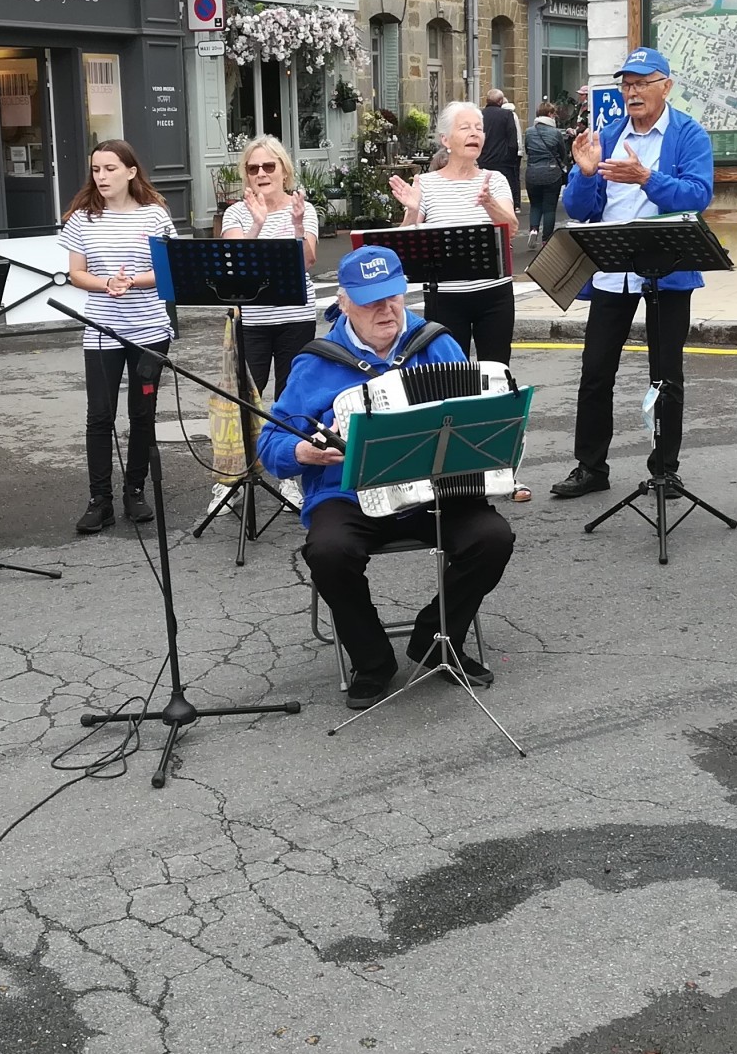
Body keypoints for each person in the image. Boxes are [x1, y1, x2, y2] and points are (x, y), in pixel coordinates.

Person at [263, 247, 515, 709]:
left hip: (433, 491)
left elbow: (477, 418)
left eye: (393, 297)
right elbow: (270, 447)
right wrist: (306, 451)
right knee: (329, 551)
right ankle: (371, 659)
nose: (386, 309)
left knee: (493, 536)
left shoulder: (435, 343)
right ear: (342, 303)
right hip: (350, 494)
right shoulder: (315, 363)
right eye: (370, 300)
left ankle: (437, 639)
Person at [549, 47, 716, 499]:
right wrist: (584, 175)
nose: (632, 91)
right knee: (596, 371)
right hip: (612, 269)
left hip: (667, 269)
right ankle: (590, 467)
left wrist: (646, 177)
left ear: (666, 85)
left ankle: (665, 468)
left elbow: (697, 196)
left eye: (642, 82)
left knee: (665, 374)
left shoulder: (689, 134)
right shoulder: (608, 133)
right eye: (627, 84)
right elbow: (583, 209)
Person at [388, 102, 528, 501]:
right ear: (445, 139)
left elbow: (511, 227)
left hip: (493, 296)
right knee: (448, 385)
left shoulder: (495, 179)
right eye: (465, 127)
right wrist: (413, 211)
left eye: (479, 127)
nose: (475, 134)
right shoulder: (427, 184)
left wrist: (488, 204)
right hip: (445, 297)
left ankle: (503, 470)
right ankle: (452, 473)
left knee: (497, 380)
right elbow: (404, 243)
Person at [59, 139, 181, 534]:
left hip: (148, 330)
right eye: (96, 170)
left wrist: (133, 282)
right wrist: (106, 283)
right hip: (102, 331)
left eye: (110, 169)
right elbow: (76, 274)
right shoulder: (82, 218)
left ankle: (135, 490)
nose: (102, 177)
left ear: (131, 171)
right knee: (100, 415)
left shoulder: (155, 216)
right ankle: (100, 501)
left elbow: (170, 270)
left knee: (142, 413)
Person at [219, 135, 318, 398]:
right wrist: (257, 225)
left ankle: (287, 441)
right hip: (253, 318)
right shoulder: (236, 213)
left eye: (269, 167)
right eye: (253, 169)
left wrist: (298, 225)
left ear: (284, 171)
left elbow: (307, 262)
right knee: (248, 396)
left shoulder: (303, 208)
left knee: (292, 396)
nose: (261, 174)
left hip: (296, 316)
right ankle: (251, 442)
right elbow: (235, 265)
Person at [522, 101, 573, 252]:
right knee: (549, 208)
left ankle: (533, 229)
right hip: (551, 173)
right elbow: (562, 153)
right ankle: (546, 240)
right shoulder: (556, 133)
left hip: (532, 173)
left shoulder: (530, 132)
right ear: (550, 115)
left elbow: (527, 150)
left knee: (535, 204)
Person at [479, 88, 523, 214]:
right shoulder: (506, 115)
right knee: (503, 191)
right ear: (500, 101)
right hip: (503, 161)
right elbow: (512, 140)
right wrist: (511, 158)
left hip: (484, 160)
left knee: (486, 190)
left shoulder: (480, 115)